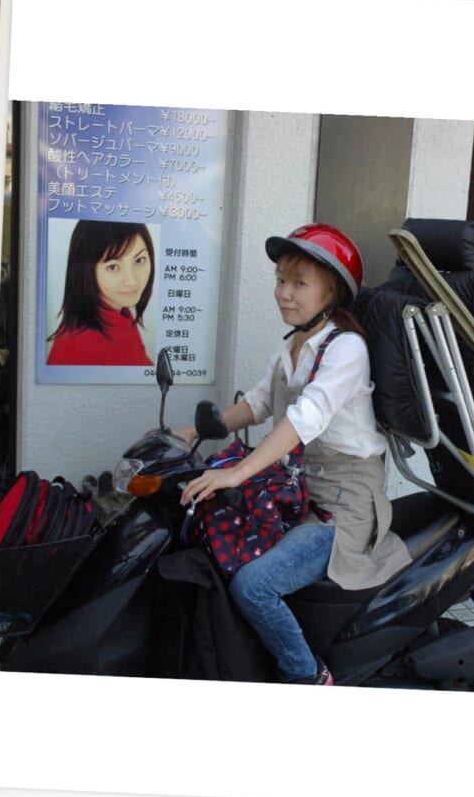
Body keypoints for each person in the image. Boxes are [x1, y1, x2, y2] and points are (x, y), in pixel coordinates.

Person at [178, 223, 411, 685]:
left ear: (332, 292)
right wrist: (189, 432)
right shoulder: (294, 345)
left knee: (253, 586)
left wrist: (237, 473)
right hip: (296, 492)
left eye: (300, 283)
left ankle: (307, 677)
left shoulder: (346, 349)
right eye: (281, 279)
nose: (284, 293)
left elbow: (306, 419)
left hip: (343, 507)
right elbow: (258, 404)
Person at [47, 220, 155, 365]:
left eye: (140, 260)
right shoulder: (79, 348)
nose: (132, 281)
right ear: (86, 271)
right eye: (113, 267)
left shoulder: (119, 313)